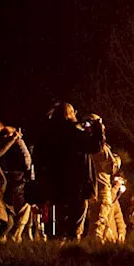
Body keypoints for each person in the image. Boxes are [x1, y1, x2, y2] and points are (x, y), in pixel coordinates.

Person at [32, 103, 105, 240]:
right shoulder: (74, 133)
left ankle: (54, 247)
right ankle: (71, 251)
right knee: (75, 221)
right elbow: (96, 146)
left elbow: (37, 157)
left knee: (58, 220)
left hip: (55, 185)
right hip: (77, 185)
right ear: (69, 115)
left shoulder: (46, 135)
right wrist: (98, 126)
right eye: (73, 113)